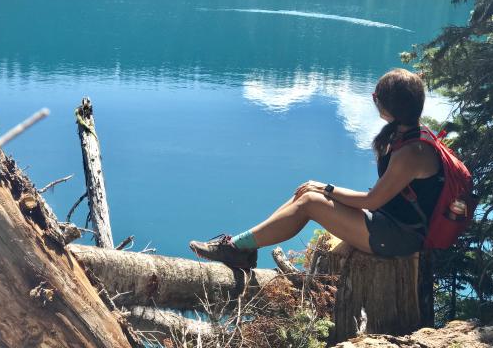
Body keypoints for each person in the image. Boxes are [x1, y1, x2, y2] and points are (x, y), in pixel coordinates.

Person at [189, 68, 444, 269]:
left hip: (400, 237)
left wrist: (327, 188)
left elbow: (373, 200)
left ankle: (236, 249)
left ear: (388, 107)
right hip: (390, 224)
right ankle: (244, 246)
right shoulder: (408, 135)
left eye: (376, 98)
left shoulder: (412, 152)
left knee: (311, 200)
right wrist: (323, 189)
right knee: (306, 192)